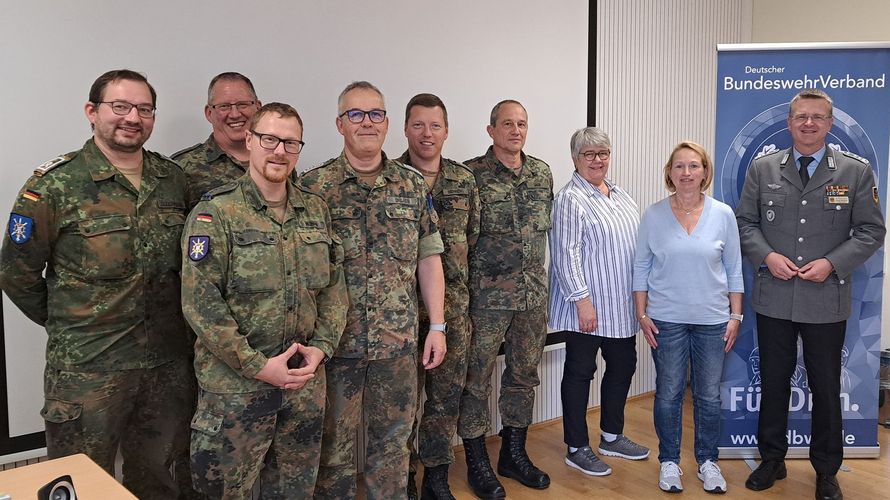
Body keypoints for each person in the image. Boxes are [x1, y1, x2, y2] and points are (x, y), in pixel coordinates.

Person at [0, 69, 193, 499]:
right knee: (80, 484)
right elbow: (17, 274)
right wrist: (74, 326)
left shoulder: (172, 179)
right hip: (88, 369)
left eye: (144, 109)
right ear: (92, 111)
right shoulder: (53, 186)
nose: (132, 118)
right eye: (120, 106)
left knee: (159, 480)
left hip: (165, 364)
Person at [181, 102, 347, 498]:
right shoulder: (215, 214)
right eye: (269, 139)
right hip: (236, 390)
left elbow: (335, 290)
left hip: (303, 386)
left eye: (290, 142)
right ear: (250, 141)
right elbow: (200, 303)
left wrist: (321, 349)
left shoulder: (315, 211)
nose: (279, 151)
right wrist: (257, 366)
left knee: (294, 491)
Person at [300, 81, 446, 499]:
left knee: (394, 446)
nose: (367, 122)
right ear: (339, 124)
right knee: (333, 451)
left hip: (397, 346)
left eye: (376, 114)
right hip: (334, 347)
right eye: (356, 114)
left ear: (387, 124)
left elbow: (429, 259)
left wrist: (437, 325)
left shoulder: (412, 185)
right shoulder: (313, 188)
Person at [736, 89, 886, 500]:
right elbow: (745, 222)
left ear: (830, 124)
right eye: (801, 117)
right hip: (775, 296)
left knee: (824, 387)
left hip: (826, 299)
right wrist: (767, 256)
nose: (808, 124)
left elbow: (872, 230)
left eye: (817, 118)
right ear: (789, 123)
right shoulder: (763, 169)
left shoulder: (855, 172)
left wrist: (832, 263)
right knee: (774, 383)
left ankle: (825, 470)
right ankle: (772, 460)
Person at [633, 141, 743, 494]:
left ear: (705, 172)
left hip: (713, 320)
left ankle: (707, 461)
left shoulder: (723, 214)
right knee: (668, 393)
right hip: (666, 320)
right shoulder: (653, 215)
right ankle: (669, 462)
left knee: (708, 396)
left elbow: (735, 269)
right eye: (679, 166)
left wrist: (736, 315)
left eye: (693, 166)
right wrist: (641, 313)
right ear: (669, 173)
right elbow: (641, 268)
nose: (686, 173)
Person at [458, 99, 553, 499]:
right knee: (475, 380)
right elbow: (461, 240)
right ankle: (477, 459)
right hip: (487, 298)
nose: (516, 131)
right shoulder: (471, 175)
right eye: (507, 124)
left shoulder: (541, 173)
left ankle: (513, 453)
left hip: (532, 297)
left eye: (522, 124)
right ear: (491, 130)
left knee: (522, 377)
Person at [548, 127, 650, 478]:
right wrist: (581, 300)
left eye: (603, 153)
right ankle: (577, 447)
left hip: (620, 304)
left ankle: (612, 435)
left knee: (623, 366)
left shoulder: (621, 195)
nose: (597, 160)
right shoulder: (569, 199)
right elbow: (565, 255)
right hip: (587, 308)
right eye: (589, 154)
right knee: (580, 373)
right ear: (575, 159)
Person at [396, 93, 480, 500]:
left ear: (446, 131)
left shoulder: (464, 181)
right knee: (404, 406)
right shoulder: (390, 178)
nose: (426, 134)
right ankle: (405, 480)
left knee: (444, 401)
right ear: (405, 128)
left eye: (435, 126)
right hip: (400, 317)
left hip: (454, 315)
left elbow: (473, 241)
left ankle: (436, 476)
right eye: (418, 125)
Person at [173, 72, 261, 209]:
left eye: (243, 105)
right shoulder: (182, 167)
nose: (235, 114)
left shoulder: (276, 158)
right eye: (224, 106)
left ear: (258, 108)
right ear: (209, 113)